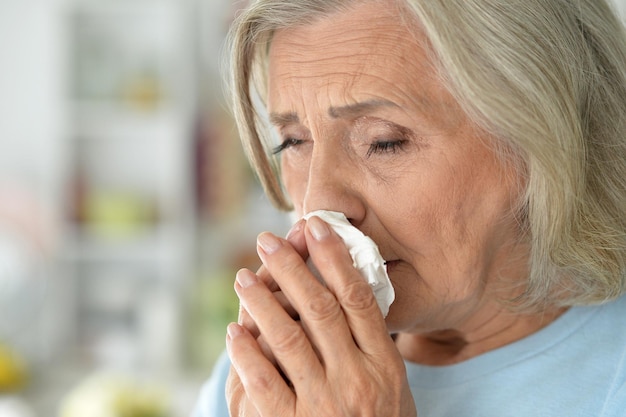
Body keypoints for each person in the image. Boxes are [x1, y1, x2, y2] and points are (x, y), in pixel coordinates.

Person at [192, 0, 626, 415]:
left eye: (384, 142)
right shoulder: (271, 374)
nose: (319, 202)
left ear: (543, 139)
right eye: (294, 141)